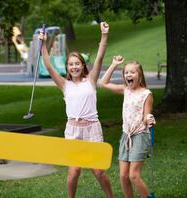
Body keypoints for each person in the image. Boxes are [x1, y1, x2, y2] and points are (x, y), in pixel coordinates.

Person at [38, 22, 113, 198]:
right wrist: (42, 45)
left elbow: (100, 57)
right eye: (71, 64)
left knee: (98, 172)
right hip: (73, 130)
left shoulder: (91, 80)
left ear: (83, 65)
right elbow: (49, 66)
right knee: (74, 172)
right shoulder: (65, 85)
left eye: (77, 63)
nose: (74, 67)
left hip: (92, 129)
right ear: (67, 68)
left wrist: (104, 35)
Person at [100, 55, 156, 198]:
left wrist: (149, 119)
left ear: (140, 75)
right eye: (126, 73)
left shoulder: (146, 94)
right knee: (123, 176)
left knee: (134, 176)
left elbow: (145, 116)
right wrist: (113, 65)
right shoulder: (125, 90)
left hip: (140, 136)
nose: (129, 75)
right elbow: (103, 83)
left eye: (132, 72)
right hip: (126, 136)